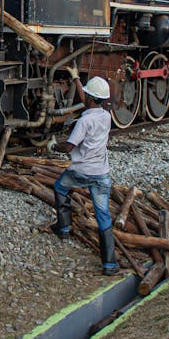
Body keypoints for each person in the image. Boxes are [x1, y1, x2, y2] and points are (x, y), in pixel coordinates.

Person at [47, 70, 119, 276]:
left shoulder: (84, 122)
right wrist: (76, 78)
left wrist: (53, 146)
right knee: (103, 216)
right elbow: (88, 101)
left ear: (89, 98)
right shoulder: (106, 117)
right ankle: (110, 264)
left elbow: (69, 147)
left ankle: (63, 229)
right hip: (101, 174)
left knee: (60, 187)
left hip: (82, 171)